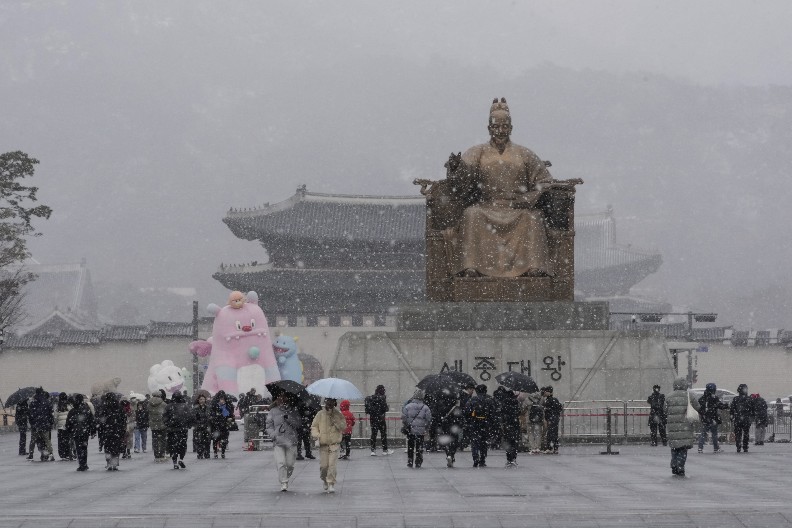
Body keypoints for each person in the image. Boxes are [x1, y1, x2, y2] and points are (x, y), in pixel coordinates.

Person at [442, 98, 555, 278]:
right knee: (471, 214)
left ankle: (532, 268)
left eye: (504, 127)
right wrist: (457, 167)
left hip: (517, 209)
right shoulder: (477, 152)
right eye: (496, 127)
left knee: (533, 218)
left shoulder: (524, 153)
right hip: (487, 207)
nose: (500, 131)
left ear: (511, 128)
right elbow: (463, 180)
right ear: (489, 129)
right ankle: (471, 267)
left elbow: (545, 181)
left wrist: (529, 198)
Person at [265, 392, 302, 491]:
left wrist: (289, 418)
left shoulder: (293, 411)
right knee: (281, 462)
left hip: (291, 441)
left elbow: (298, 424)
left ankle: (286, 476)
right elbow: (268, 425)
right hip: (278, 441)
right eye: (280, 397)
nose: (282, 399)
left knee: (289, 464)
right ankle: (284, 482)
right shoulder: (272, 411)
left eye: (284, 397)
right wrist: (273, 435)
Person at [311, 397, 346, 493]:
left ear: (335, 403)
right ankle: (324, 479)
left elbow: (343, 427)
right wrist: (317, 435)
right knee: (324, 466)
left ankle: (331, 483)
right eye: (328, 401)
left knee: (332, 465)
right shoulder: (320, 414)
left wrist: (336, 420)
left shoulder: (338, 414)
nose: (329, 403)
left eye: (332, 402)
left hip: (334, 444)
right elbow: (314, 426)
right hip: (323, 444)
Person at [666, 377, 696, 477]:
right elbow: (697, 407)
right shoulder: (689, 396)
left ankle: (674, 465)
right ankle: (680, 467)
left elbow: (664, 410)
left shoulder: (669, 396)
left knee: (674, 447)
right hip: (685, 427)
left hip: (672, 427)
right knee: (683, 448)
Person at [463, 384, 495, 467]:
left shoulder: (472, 400)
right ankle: (482, 459)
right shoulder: (490, 399)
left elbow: (466, 411)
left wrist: (470, 420)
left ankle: (475, 457)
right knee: (484, 442)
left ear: (476, 391)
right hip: (486, 423)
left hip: (474, 422)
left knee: (474, 441)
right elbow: (493, 413)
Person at [401, 389, 432, 469]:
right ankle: (418, 461)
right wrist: (426, 427)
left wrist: (406, 424)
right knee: (419, 446)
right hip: (421, 431)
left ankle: (410, 460)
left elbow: (404, 417)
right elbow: (428, 419)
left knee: (410, 445)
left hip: (410, 429)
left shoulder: (408, 406)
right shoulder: (425, 407)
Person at [65, 394, 95, 471]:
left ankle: (81, 464)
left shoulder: (73, 410)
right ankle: (84, 463)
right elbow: (91, 420)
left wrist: (69, 430)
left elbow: (68, 422)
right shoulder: (86, 409)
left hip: (76, 431)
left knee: (78, 448)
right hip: (85, 431)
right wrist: (93, 431)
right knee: (84, 447)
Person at [164, 392, 193, 469]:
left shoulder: (168, 406)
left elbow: (164, 417)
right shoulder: (185, 406)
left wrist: (168, 424)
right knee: (182, 445)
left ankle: (175, 462)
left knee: (173, 446)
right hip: (182, 429)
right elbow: (190, 417)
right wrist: (189, 425)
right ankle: (181, 459)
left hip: (172, 430)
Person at [697, 383, 727, 453]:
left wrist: (704, 414)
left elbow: (699, 408)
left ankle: (700, 447)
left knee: (704, 433)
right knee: (714, 434)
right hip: (713, 418)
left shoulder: (702, 398)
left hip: (705, 418)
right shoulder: (714, 398)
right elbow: (720, 405)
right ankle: (716, 447)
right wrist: (726, 406)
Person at [28, 387, 54, 462]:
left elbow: (30, 415)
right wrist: (50, 423)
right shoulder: (47, 402)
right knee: (47, 440)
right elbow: (50, 414)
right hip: (45, 424)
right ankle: (51, 453)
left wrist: (32, 423)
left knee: (33, 440)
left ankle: (31, 454)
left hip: (35, 425)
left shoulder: (33, 402)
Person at [365, 385, 393, 456]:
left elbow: (368, 410)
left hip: (373, 419)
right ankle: (384, 450)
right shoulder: (382, 398)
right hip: (381, 419)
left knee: (373, 434)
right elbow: (385, 409)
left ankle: (373, 450)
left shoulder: (371, 398)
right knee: (383, 434)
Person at [102, 392, 126, 471]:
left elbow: (101, 420)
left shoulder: (105, 407)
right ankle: (115, 464)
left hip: (107, 431)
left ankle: (109, 463)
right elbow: (123, 419)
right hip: (117, 430)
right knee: (116, 448)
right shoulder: (119, 407)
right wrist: (122, 430)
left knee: (108, 448)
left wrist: (102, 430)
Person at [439, 396, 465, 468]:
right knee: (455, 442)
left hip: (446, 427)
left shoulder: (443, 408)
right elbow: (461, 418)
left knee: (446, 442)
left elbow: (439, 418)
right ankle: (452, 455)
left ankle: (448, 454)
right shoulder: (457, 409)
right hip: (455, 428)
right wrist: (461, 426)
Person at [499, 387, 521, 467]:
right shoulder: (516, 402)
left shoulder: (504, 402)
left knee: (508, 442)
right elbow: (519, 412)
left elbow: (501, 413)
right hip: (515, 424)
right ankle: (514, 458)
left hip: (507, 425)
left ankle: (509, 459)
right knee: (514, 442)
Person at [210, 390, 235, 459]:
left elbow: (231, 415)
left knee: (224, 440)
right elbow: (212, 415)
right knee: (216, 439)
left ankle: (223, 452)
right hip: (217, 425)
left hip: (224, 425)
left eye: (223, 399)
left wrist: (230, 418)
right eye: (221, 399)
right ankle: (215, 453)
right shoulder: (215, 406)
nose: (222, 400)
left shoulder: (227, 406)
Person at [730, 383, 753, 453]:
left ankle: (739, 445)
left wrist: (732, 415)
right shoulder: (748, 399)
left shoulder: (736, 399)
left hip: (738, 418)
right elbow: (752, 409)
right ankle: (744, 446)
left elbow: (732, 409)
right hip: (744, 418)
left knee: (739, 433)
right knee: (744, 433)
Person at [296, 396, 319, 460]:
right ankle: (299, 453)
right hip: (300, 423)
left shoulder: (310, 403)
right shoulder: (300, 402)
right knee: (300, 438)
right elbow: (297, 411)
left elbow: (313, 413)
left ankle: (307, 452)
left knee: (306, 438)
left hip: (306, 423)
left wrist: (309, 414)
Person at [148, 390, 168, 462]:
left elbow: (148, 413)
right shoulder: (163, 404)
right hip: (162, 424)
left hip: (153, 425)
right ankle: (162, 454)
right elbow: (166, 414)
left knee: (155, 440)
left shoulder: (149, 404)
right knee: (163, 440)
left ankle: (156, 454)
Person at [542, 386, 563, 454]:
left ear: (549, 392)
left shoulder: (548, 400)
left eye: (545, 391)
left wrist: (548, 417)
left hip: (551, 418)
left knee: (550, 433)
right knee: (555, 433)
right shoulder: (555, 399)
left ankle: (550, 448)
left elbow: (548, 411)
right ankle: (555, 448)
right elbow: (560, 408)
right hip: (555, 418)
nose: (544, 393)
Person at [54, 392, 73, 461]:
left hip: (60, 427)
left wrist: (56, 424)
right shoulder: (69, 406)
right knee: (68, 440)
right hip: (67, 426)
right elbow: (72, 414)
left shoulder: (58, 407)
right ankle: (68, 453)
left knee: (61, 441)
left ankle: (62, 454)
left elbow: (55, 417)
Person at [193, 394, 212, 459]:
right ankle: (200, 453)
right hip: (198, 427)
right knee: (199, 441)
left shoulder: (208, 407)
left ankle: (207, 453)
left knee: (207, 441)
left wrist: (209, 419)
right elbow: (193, 417)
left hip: (207, 426)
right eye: (201, 399)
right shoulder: (195, 408)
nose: (202, 401)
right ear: (198, 400)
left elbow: (210, 416)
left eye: (203, 399)